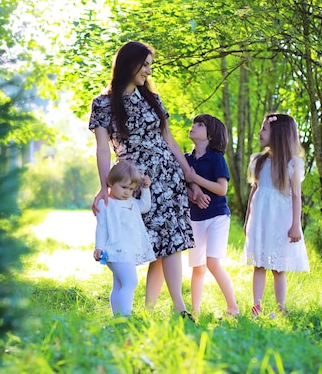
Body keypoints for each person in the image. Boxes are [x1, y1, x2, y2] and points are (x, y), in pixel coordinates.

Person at [89, 40, 197, 320]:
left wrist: (189, 175)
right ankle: (130, 309)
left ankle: (179, 309)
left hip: (168, 177)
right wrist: (105, 186)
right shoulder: (103, 103)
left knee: (171, 241)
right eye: (144, 65)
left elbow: (169, 139)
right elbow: (102, 148)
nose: (148, 71)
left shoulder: (153, 99)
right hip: (134, 181)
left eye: (150, 66)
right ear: (129, 63)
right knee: (136, 242)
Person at [243, 113, 310, 317]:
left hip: (281, 220)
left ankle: (281, 307)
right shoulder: (259, 160)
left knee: (278, 267)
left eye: (264, 129)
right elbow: (254, 191)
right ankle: (257, 307)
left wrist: (295, 225)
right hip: (261, 219)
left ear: (278, 134)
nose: (259, 132)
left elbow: (297, 196)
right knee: (259, 264)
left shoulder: (292, 164)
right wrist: (247, 221)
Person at [185, 114, 240, 317]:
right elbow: (184, 188)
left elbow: (221, 188)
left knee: (212, 262)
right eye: (194, 123)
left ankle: (233, 307)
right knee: (197, 267)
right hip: (195, 218)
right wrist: (193, 194)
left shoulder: (216, 158)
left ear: (211, 135)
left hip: (217, 215)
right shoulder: (186, 159)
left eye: (199, 125)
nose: (193, 127)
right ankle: (195, 311)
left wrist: (194, 178)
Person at [93, 160, 156, 316]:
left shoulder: (132, 202)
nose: (127, 192)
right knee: (130, 282)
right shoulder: (105, 204)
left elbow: (145, 206)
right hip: (114, 250)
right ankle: (126, 316)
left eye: (131, 189)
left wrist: (146, 188)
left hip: (127, 250)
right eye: (123, 187)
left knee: (120, 284)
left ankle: (118, 317)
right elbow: (101, 227)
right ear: (111, 183)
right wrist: (98, 247)